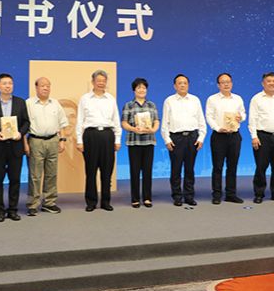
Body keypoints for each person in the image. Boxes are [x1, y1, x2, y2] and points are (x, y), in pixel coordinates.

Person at [0, 73, 30, 222]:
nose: (8, 86)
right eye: (4, 83)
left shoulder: (20, 102)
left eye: (10, 83)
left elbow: (26, 122)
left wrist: (20, 133)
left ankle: (13, 210)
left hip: (15, 147)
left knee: (15, 180)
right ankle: (0, 211)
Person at [76, 70, 122, 212]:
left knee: (107, 171)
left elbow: (116, 120)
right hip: (90, 135)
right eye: (98, 80)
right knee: (90, 171)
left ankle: (106, 201)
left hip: (108, 136)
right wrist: (79, 140)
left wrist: (117, 139)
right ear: (93, 82)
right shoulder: (85, 99)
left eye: (104, 81)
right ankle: (91, 202)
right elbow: (80, 120)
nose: (101, 83)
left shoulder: (111, 99)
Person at [25, 77, 69, 216]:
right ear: (36, 87)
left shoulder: (55, 103)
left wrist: (62, 140)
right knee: (35, 175)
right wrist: (25, 144)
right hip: (35, 141)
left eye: (48, 86)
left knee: (51, 174)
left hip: (53, 140)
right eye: (42, 85)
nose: (45, 88)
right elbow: (23, 125)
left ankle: (49, 203)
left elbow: (62, 123)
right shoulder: (28, 103)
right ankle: (33, 204)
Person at [161, 74, 207, 207]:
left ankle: (189, 196)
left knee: (190, 169)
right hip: (176, 138)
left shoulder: (195, 100)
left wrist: (201, 138)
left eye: (185, 83)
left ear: (188, 85)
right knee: (176, 168)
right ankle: (177, 196)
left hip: (192, 137)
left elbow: (201, 121)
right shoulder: (169, 101)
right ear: (175, 86)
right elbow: (165, 123)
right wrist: (167, 139)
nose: (182, 85)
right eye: (179, 83)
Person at [248, 72, 274, 204]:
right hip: (262, 137)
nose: (272, 83)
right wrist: (254, 137)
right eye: (269, 81)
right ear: (263, 83)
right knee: (261, 167)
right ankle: (259, 193)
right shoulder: (256, 99)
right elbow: (252, 119)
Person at [205, 73, 246, 205]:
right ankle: (217, 194)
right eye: (223, 82)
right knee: (218, 166)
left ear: (232, 83)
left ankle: (231, 194)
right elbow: (209, 117)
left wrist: (241, 117)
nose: (226, 84)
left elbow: (243, 114)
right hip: (219, 136)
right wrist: (217, 128)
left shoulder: (238, 98)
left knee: (232, 166)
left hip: (234, 136)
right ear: (218, 85)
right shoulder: (212, 99)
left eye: (228, 81)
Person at [121, 78, 159, 208]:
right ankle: (135, 198)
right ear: (134, 90)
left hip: (149, 141)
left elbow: (156, 121)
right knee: (135, 171)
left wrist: (153, 129)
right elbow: (124, 123)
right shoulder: (129, 105)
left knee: (147, 171)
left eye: (144, 88)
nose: (142, 90)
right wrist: (133, 129)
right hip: (134, 142)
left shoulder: (152, 105)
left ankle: (147, 198)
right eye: (139, 88)